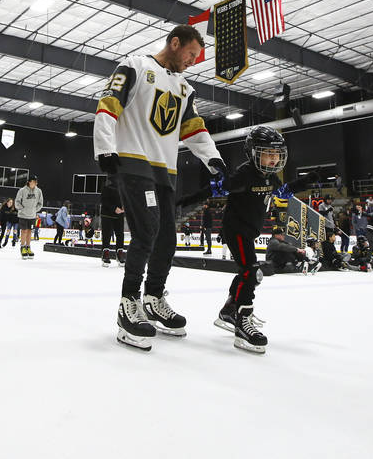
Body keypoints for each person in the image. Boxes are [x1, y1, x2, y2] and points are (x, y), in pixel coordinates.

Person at [94, 24, 225, 351]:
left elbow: (195, 130)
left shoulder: (185, 89)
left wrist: (215, 160)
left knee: (167, 237)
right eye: (191, 54)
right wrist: (104, 148)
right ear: (175, 43)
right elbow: (109, 104)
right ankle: (129, 303)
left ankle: (153, 298)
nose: (193, 61)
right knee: (147, 231)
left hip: (165, 170)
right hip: (133, 161)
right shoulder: (135, 66)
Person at [181, 126, 318, 352]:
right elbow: (215, 190)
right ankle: (243, 321)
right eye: (268, 154)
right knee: (251, 272)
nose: (274, 159)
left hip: (249, 231)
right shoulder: (244, 174)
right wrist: (183, 201)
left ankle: (229, 311)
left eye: (277, 155)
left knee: (248, 274)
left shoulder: (270, 177)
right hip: (236, 230)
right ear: (253, 153)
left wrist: (304, 182)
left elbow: (282, 192)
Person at [14, 176, 44, 259]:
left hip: (32, 216)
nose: (35, 183)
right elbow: (17, 202)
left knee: (30, 231)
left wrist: (34, 210)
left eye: (36, 181)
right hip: (23, 215)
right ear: (29, 182)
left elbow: (40, 203)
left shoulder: (38, 191)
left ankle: (28, 247)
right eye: (34, 181)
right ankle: (22, 247)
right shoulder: (22, 190)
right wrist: (22, 209)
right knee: (24, 231)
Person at [100, 176, 125, 266]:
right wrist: (114, 208)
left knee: (120, 234)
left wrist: (124, 207)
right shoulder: (107, 187)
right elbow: (104, 200)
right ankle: (105, 253)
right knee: (107, 235)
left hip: (119, 215)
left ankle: (119, 253)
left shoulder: (124, 188)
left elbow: (126, 200)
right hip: (107, 215)